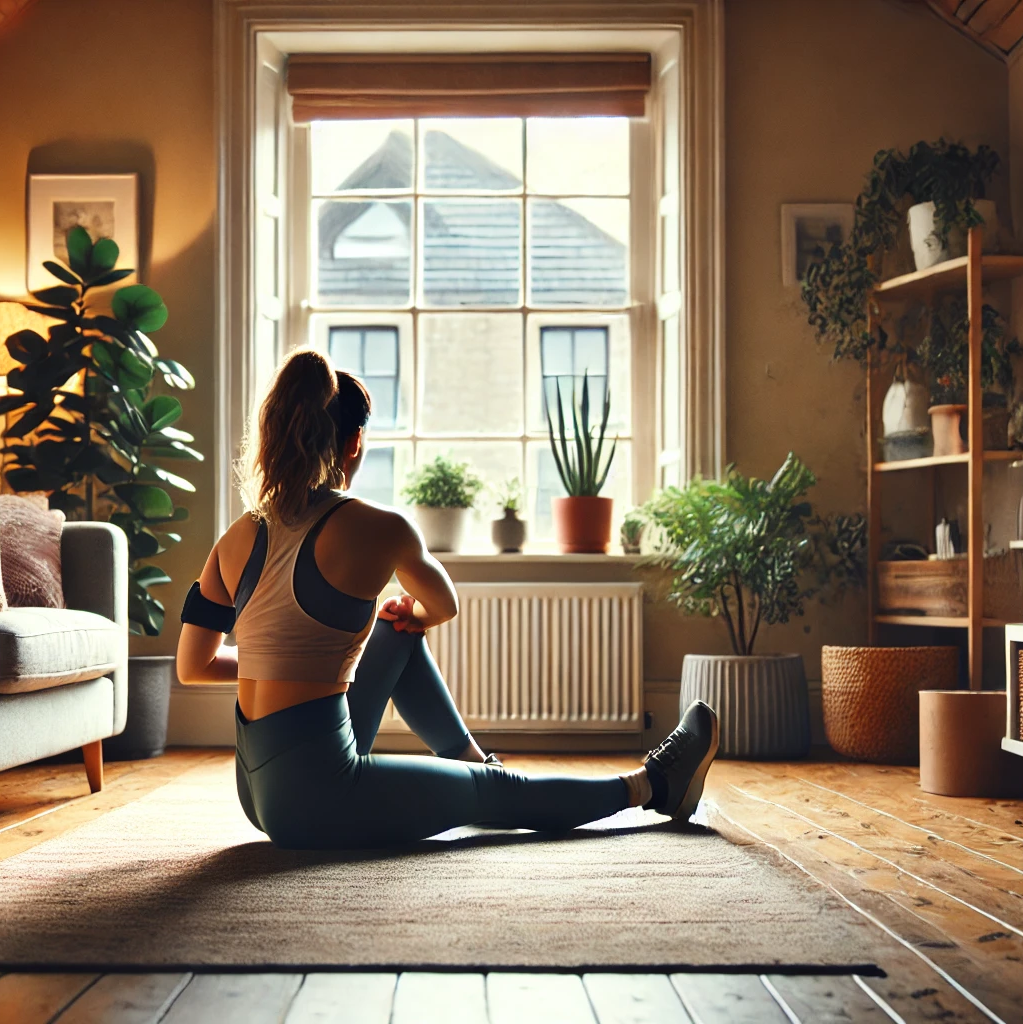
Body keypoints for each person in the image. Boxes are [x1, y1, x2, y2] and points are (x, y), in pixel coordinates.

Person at [176, 349, 719, 850]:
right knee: (494, 789)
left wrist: (284, 661)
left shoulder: (235, 538)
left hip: (257, 789)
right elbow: (442, 606)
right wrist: (409, 611)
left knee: (391, 634)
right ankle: (652, 786)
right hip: (315, 798)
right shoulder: (377, 526)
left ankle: (470, 761)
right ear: (353, 443)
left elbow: (192, 666)